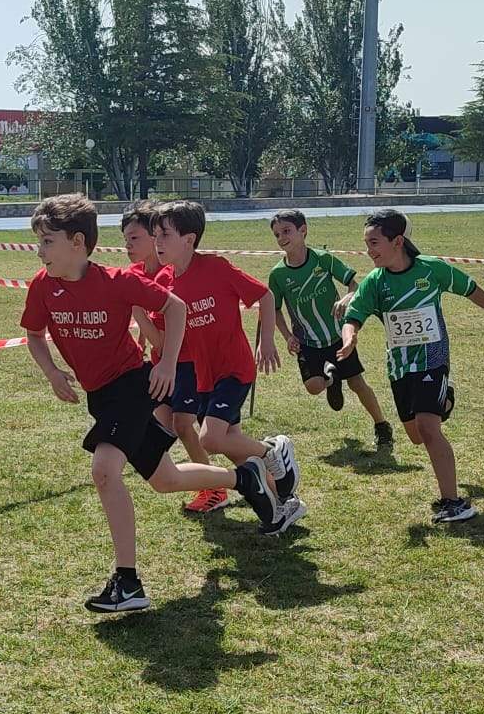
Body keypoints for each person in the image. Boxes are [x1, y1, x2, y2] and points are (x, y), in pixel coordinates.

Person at [20, 193, 288, 613]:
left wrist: (166, 363)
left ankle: (127, 583)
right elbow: (35, 336)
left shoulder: (115, 282)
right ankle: (244, 478)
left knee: (104, 470)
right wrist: (53, 372)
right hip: (100, 396)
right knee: (165, 479)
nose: (40, 251)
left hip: (131, 386)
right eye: (39, 242)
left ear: (77, 242)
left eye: (47, 242)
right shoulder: (42, 286)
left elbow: (175, 307)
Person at [336, 208, 484, 525]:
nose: (369, 251)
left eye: (374, 243)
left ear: (397, 241)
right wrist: (350, 338)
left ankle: (453, 502)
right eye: (366, 244)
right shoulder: (375, 282)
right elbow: (353, 317)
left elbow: (470, 288)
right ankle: (445, 399)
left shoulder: (431, 270)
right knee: (416, 435)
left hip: (433, 359)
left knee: (429, 428)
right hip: (400, 366)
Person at [147, 199, 305, 532]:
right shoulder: (164, 280)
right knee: (233, 445)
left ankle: (272, 449)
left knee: (210, 439)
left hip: (234, 369)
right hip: (204, 376)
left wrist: (266, 341)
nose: (157, 241)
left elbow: (264, 296)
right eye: (155, 234)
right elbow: (160, 333)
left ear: (189, 239)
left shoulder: (216, 268)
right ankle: (284, 502)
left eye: (165, 234)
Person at [116, 200, 218, 511]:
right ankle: (219, 478)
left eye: (135, 238)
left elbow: (161, 340)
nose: (128, 245)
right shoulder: (135, 273)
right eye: (125, 238)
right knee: (167, 428)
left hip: (187, 363)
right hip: (162, 366)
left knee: (187, 428)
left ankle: (218, 487)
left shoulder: (168, 275)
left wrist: (136, 309)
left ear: (155, 237)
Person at [267, 208, 394, 452]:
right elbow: (275, 309)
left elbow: (355, 285)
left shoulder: (323, 259)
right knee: (313, 387)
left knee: (357, 383)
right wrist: (287, 336)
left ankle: (382, 426)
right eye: (277, 234)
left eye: (287, 231)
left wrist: (347, 297)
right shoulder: (278, 274)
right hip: (307, 341)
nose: (282, 238)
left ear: (303, 230)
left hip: (337, 336)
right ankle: (331, 380)